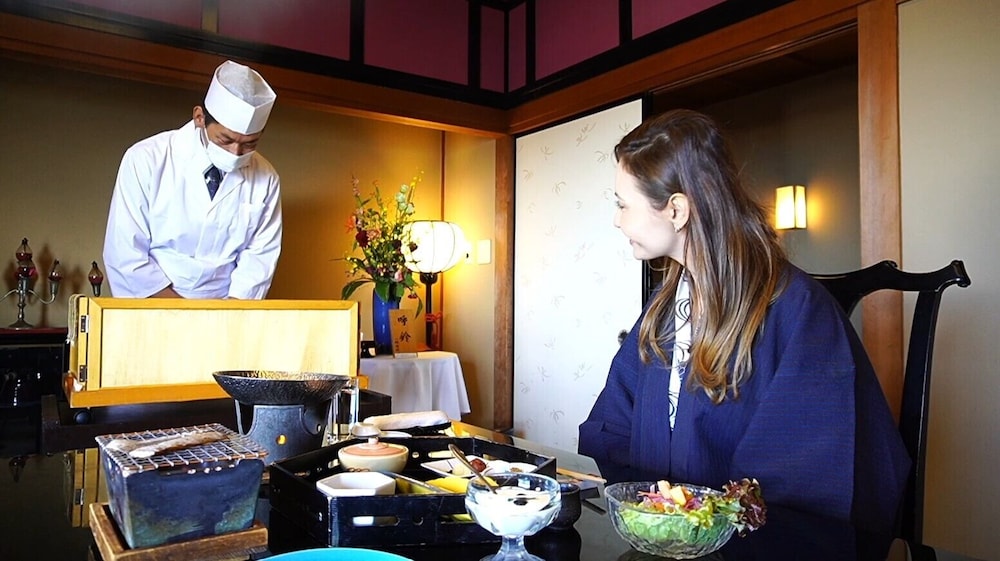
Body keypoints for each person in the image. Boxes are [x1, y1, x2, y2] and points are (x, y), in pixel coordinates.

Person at [578, 109, 910, 534]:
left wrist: (706, 524)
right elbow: (611, 426)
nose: (616, 218)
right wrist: (649, 513)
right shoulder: (664, 307)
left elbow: (811, 474)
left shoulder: (799, 311)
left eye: (624, 204)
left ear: (676, 210)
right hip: (659, 539)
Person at [103, 60, 282, 299]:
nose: (236, 153)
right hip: (152, 303)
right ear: (199, 117)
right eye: (225, 140)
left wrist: (227, 318)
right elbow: (125, 253)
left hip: (225, 313)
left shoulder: (266, 177)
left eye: (250, 143)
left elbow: (259, 258)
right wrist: (185, 316)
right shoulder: (146, 159)